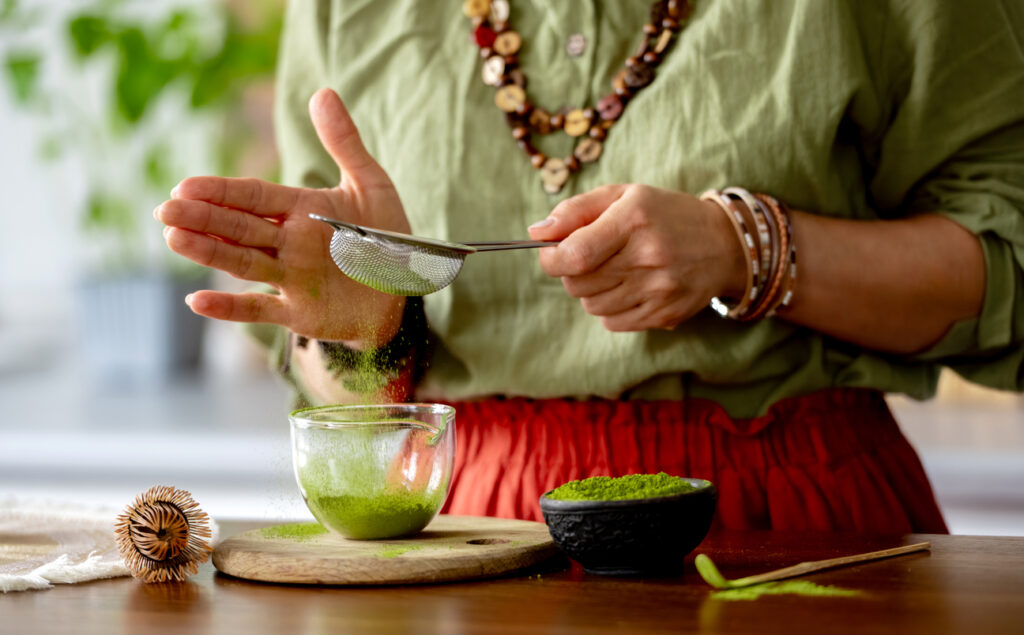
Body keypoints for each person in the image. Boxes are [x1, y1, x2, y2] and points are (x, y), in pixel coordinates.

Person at [155, 0, 1024, 533]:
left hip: (790, 520)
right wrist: (369, 327)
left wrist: (747, 248)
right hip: (470, 539)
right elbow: (347, 393)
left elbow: (1007, 263)